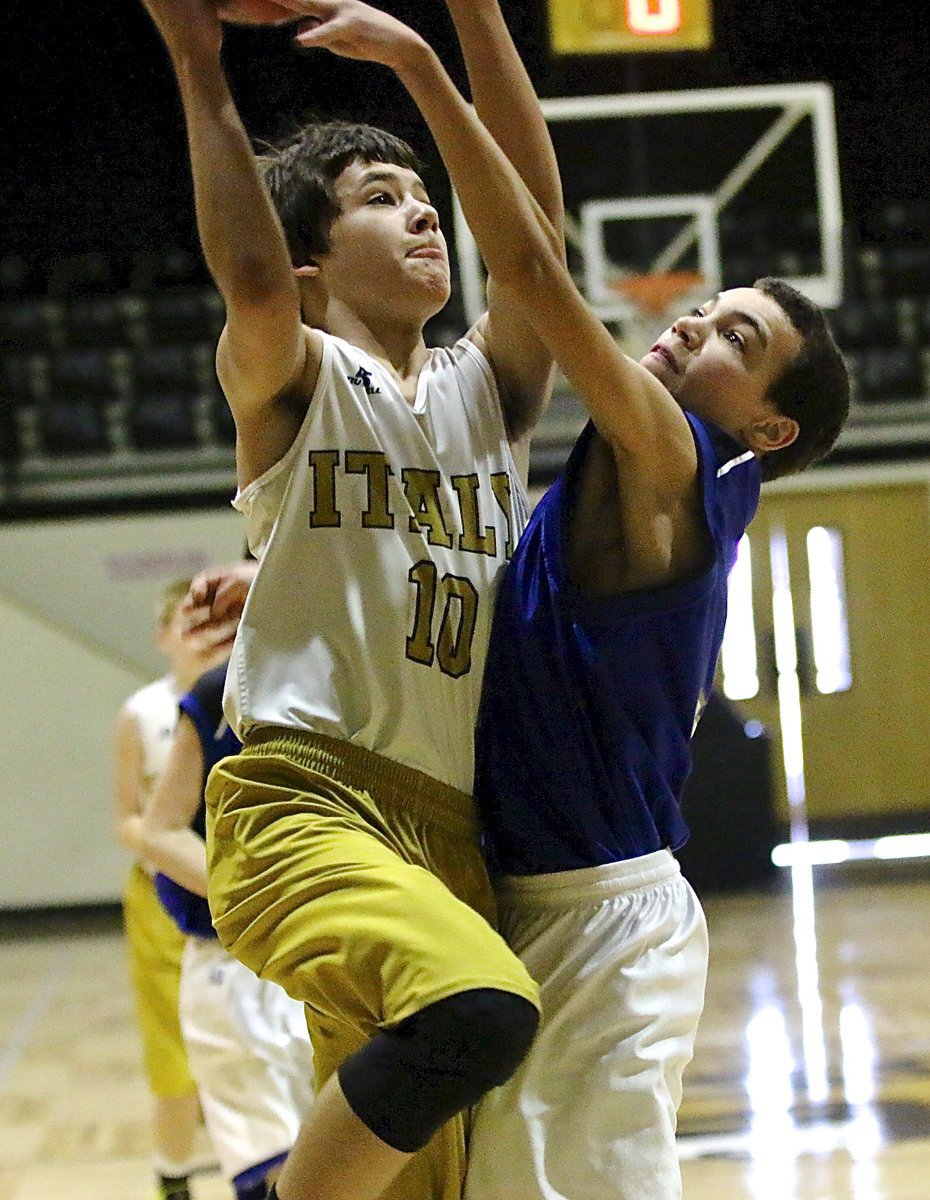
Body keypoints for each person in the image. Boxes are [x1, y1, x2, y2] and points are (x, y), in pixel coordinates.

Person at [288, 4, 851, 1200]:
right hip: (503, 891)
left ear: (770, 423)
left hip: (600, 915)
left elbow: (533, 261)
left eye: (735, 336)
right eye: (713, 303)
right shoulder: (622, 472)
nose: (696, 318)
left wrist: (428, 61)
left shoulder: (678, 459)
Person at [133, 2, 565, 1199]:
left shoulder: (489, 390)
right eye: (382, 195)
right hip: (305, 802)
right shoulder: (299, 372)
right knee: (479, 1009)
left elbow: (535, 230)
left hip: (448, 831)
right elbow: (252, 275)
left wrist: (466, 22)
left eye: (422, 191)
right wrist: (197, 60)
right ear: (316, 265)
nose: (424, 208)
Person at [141, 660, 316, 1200]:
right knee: (274, 1164)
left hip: (332, 951)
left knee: (352, 1148)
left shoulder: (358, 666)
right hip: (232, 957)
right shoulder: (213, 691)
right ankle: (171, 1171)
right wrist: (251, 896)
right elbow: (154, 829)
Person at [112, 579, 220, 1200]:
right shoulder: (144, 713)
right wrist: (176, 850)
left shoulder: (245, 695)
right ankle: (172, 1174)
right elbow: (126, 815)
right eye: (188, 620)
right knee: (171, 1043)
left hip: (245, 894)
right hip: (165, 896)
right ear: (163, 637)